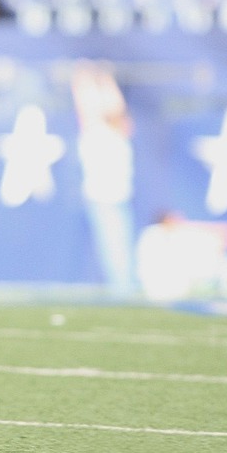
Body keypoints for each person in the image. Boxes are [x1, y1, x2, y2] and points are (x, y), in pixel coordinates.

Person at [71, 59, 136, 294]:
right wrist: (86, 79)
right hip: (102, 198)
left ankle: (124, 288)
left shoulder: (117, 132)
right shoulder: (95, 130)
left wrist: (105, 79)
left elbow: (117, 110)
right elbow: (87, 107)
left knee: (119, 246)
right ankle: (121, 288)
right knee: (113, 247)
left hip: (117, 197)